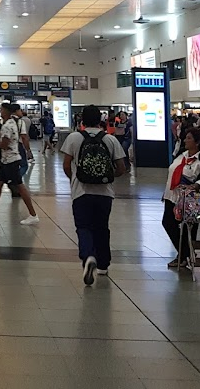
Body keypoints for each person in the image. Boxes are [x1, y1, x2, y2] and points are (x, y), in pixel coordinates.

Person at [61, 105, 127, 286]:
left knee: (83, 227)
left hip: (81, 192)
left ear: (81, 120)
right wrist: (107, 178)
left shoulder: (74, 138)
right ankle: (103, 265)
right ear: (101, 120)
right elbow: (121, 168)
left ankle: (88, 256)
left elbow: (66, 165)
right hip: (105, 194)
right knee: (102, 227)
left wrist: (74, 178)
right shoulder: (110, 139)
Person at [0, 103, 39, 226]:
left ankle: (33, 215)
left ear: (7, 112)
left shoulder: (7, 126)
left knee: (20, 186)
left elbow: (3, 145)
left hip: (10, 161)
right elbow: (10, 139)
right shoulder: (12, 123)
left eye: (1, 110)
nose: (0, 111)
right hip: (7, 161)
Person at [162, 127, 200, 268]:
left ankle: (184, 255)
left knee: (190, 227)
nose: (185, 140)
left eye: (189, 138)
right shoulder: (182, 154)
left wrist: (196, 186)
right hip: (172, 195)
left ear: (197, 142)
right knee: (168, 222)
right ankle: (186, 253)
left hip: (193, 198)